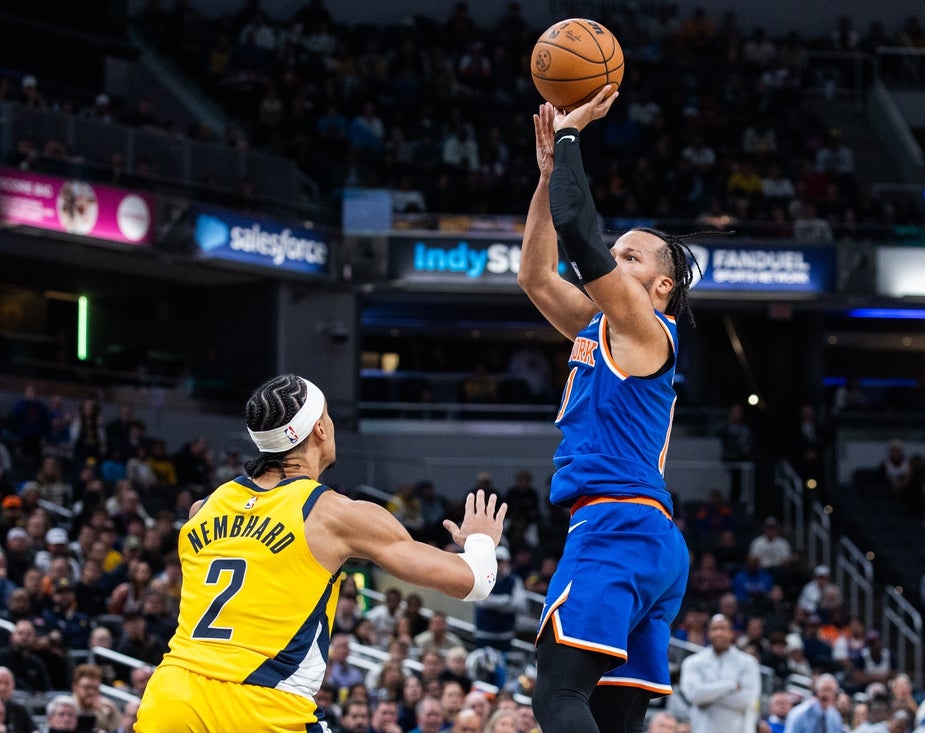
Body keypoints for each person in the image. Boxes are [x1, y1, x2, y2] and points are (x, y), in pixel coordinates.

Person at [135, 374, 507, 732]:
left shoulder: (203, 508)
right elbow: (475, 581)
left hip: (172, 697)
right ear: (320, 429)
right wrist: (481, 540)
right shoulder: (334, 514)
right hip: (262, 702)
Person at [519, 90, 694, 733]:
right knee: (611, 718)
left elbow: (579, 235)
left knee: (556, 695)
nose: (613, 263)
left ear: (661, 286)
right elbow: (536, 277)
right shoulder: (601, 328)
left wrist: (570, 137)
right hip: (647, 535)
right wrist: (546, 179)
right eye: (616, 254)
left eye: (630, 258)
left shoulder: (646, 329)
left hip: (616, 525)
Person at [679, 614, 762, 733]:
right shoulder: (693, 662)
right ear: (708, 633)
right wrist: (731, 685)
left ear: (731, 633)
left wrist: (706, 696)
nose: (719, 633)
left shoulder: (749, 662)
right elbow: (693, 695)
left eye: (723, 628)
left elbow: (748, 699)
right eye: (714, 629)